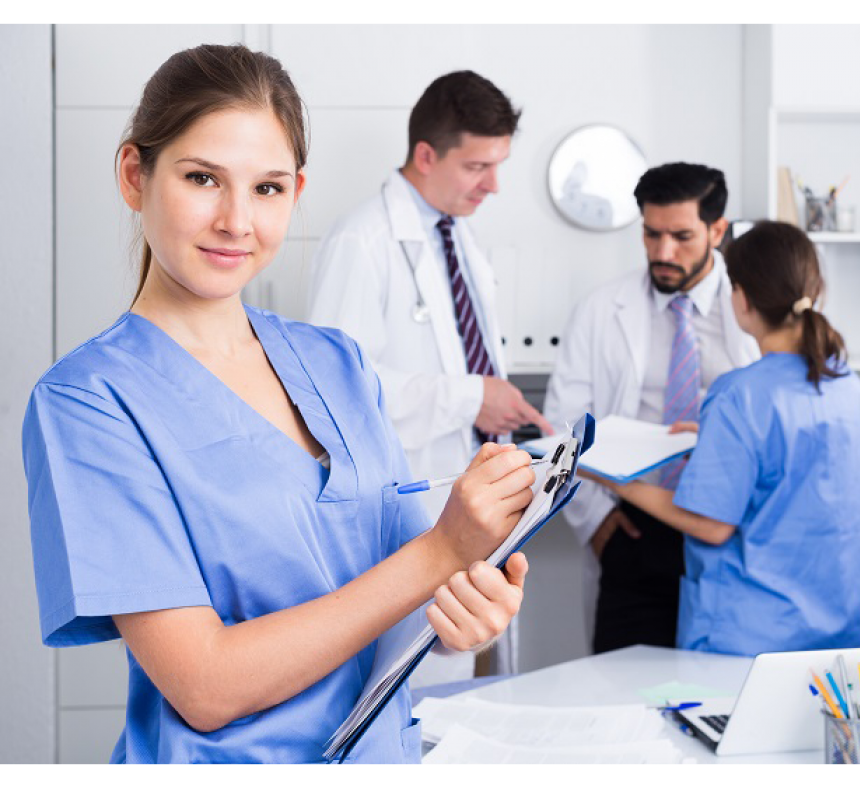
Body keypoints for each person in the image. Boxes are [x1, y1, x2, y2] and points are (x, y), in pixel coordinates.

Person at [22, 45, 536, 765]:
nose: (237, 220)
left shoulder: (338, 362)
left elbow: (410, 596)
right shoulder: (90, 402)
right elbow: (203, 684)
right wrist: (441, 553)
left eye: (267, 189)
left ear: (296, 191)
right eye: (203, 178)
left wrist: (464, 610)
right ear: (135, 176)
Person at [308, 70, 551, 681]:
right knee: (407, 695)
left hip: (467, 516)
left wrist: (499, 406)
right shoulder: (362, 240)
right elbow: (333, 395)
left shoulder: (457, 236)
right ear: (425, 154)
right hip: (402, 528)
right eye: (477, 167)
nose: (493, 185)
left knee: (460, 696)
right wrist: (470, 399)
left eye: (498, 166)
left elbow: (458, 353)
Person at [586, 221, 860, 657]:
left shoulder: (739, 395)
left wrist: (611, 477)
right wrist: (721, 438)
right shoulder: (848, 386)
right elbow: (800, 463)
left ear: (740, 297)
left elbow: (711, 524)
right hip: (834, 634)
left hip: (746, 639)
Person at [544, 163, 759, 654]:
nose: (663, 253)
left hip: (726, 530)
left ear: (717, 230)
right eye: (651, 234)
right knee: (622, 698)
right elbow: (565, 424)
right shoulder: (601, 309)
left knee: (719, 694)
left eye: (681, 236)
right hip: (633, 528)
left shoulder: (751, 307)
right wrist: (599, 527)